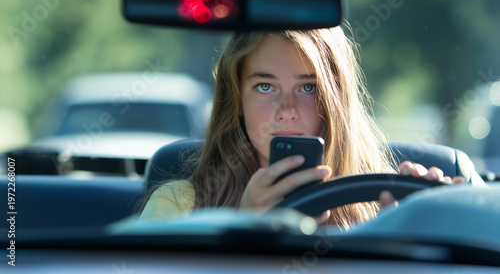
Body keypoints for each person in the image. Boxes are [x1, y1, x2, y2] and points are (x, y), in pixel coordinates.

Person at [139, 27, 465, 229]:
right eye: (265, 87)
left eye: (308, 87)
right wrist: (242, 233)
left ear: (335, 101)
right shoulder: (180, 206)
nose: (287, 112)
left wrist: (418, 227)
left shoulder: (380, 206)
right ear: (236, 99)